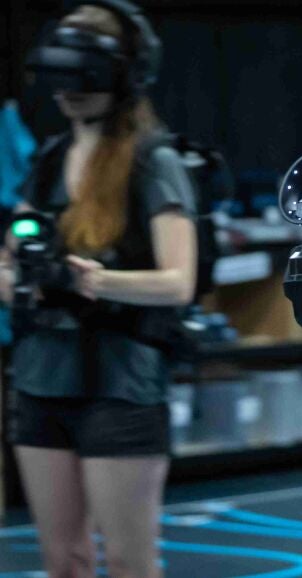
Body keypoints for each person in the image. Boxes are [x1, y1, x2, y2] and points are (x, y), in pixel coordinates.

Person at [0, 2, 196, 577]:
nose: (69, 92)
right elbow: (15, 252)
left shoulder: (154, 161)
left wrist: (95, 280)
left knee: (131, 563)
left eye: (84, 76)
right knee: (64, 561)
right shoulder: (49, 159)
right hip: (41, 380)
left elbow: (178, 283)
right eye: (60, 76)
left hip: (120, 385)